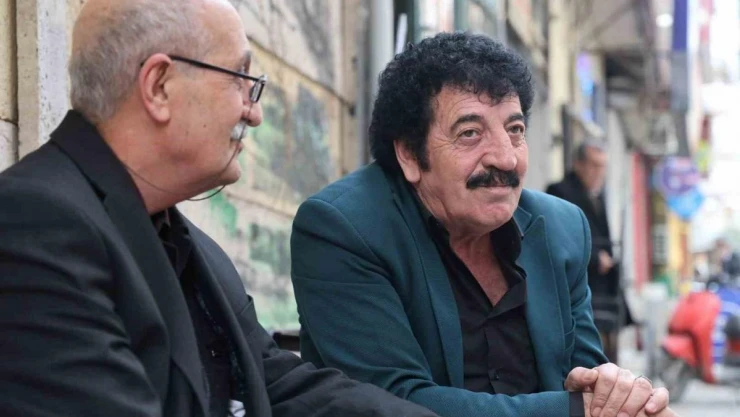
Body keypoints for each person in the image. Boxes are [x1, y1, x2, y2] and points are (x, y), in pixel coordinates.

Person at [0, 1, 442, 417]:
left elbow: (281, 387)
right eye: (240, 79)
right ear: (159, 86)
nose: (254, 114)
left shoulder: (188, 243)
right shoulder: (34, 224)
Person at [290, 33, 675, 417]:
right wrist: (575, 410)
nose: (506, 159)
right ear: (409, 154)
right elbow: (394, 401)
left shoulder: (562, 228)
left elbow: (589, 381)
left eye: (515, 130)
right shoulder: (342, 229)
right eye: (470, 133)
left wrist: (626, 399)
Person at [546, 141, 635, 363]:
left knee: (607, 347)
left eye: (602, 166)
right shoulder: (559, 191)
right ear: (578, 164)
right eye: (594, 165)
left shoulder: (597, 195)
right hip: (577, 283)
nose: (598, 172)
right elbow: (558, 235)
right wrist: (596, 257)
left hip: (602, 287)